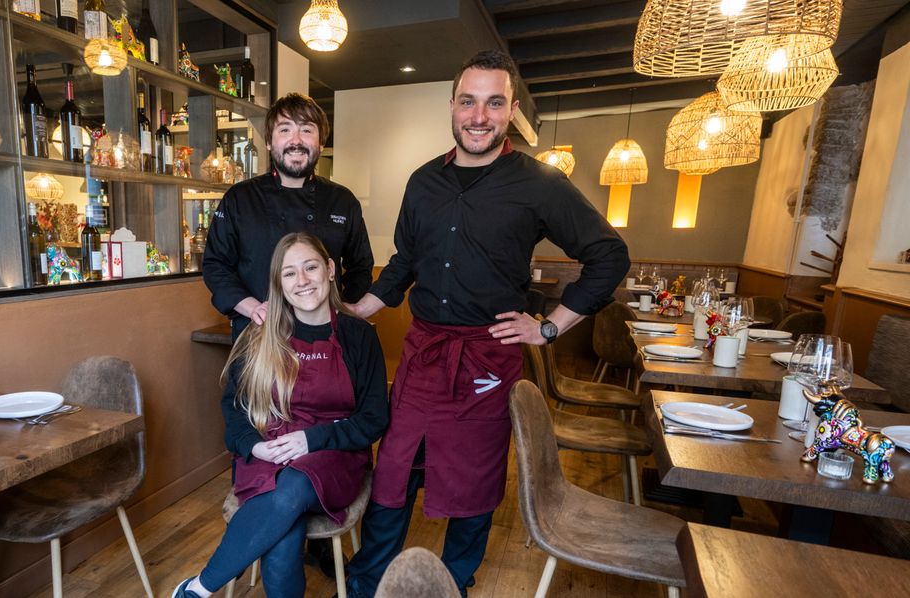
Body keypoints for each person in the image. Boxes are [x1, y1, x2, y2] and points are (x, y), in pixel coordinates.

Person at [343, 50, 631, 597]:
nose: (479, 115)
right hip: (425, 353)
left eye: (494, 103)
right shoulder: (423, 181)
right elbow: (405, 260)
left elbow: (609, 256)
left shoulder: (540, 183)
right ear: (451, 106)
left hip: (487, 357)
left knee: (472, 486)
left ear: (511, 110)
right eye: (469, 102)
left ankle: (455, 586)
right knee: (393, 476)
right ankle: (366, 587)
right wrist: (363, 309)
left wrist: (547, 327)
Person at [172, 232, 389, 598]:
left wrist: (311, 439)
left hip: (335, 453)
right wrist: (255, 448)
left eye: (310, 267)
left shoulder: (358, 336)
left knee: (293, 487)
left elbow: (373, 418)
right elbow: (235, 409)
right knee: (285, 531)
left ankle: (199, 587)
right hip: (269, 450)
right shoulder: (260, 336)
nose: (302, 281)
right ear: (278, 283)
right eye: (289, 274)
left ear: (331, 270)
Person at [203, 93, 374, 341]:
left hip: (326, 337)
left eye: (306, 130)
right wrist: (253, 308)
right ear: (270, 142)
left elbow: (361, 267)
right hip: (257, 334)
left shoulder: (343, 201)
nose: (296, 140)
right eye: (285, 130)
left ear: (321, 143)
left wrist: (340, 308)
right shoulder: (240, 198)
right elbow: (215, 265)